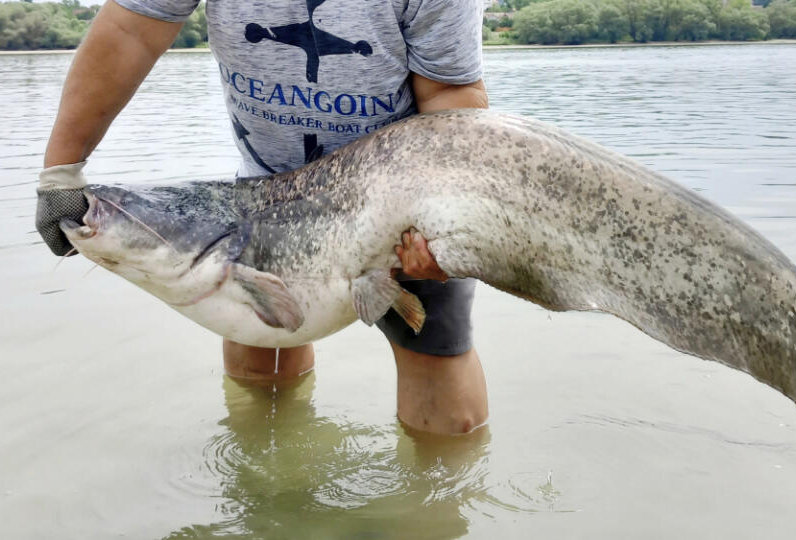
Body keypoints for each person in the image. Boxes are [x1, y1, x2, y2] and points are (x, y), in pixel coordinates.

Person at [35, 0, 489, 435]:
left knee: (439, 374)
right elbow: (130, 29)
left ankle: (439, 499)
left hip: (402, 194)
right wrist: (61, 170)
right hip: (265, 191)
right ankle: (273, 496)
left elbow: (450, 89)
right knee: (258, 365)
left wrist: (445, 221)